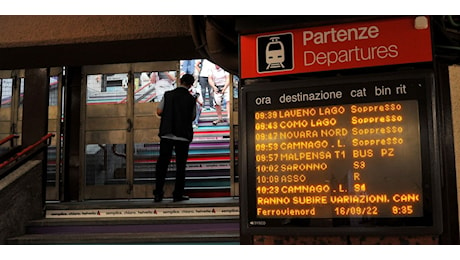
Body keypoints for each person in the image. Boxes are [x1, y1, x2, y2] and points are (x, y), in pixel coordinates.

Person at [153, 74, 196, 202]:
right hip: (183, 136)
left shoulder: (168, 95)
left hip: (167, 134)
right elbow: (193, 117)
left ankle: (158, 193)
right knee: (180, 166)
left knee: (162, 165)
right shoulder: (191, 99)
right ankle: (177, 194)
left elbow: (159, 111)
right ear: (190, 85)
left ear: (180, 81)